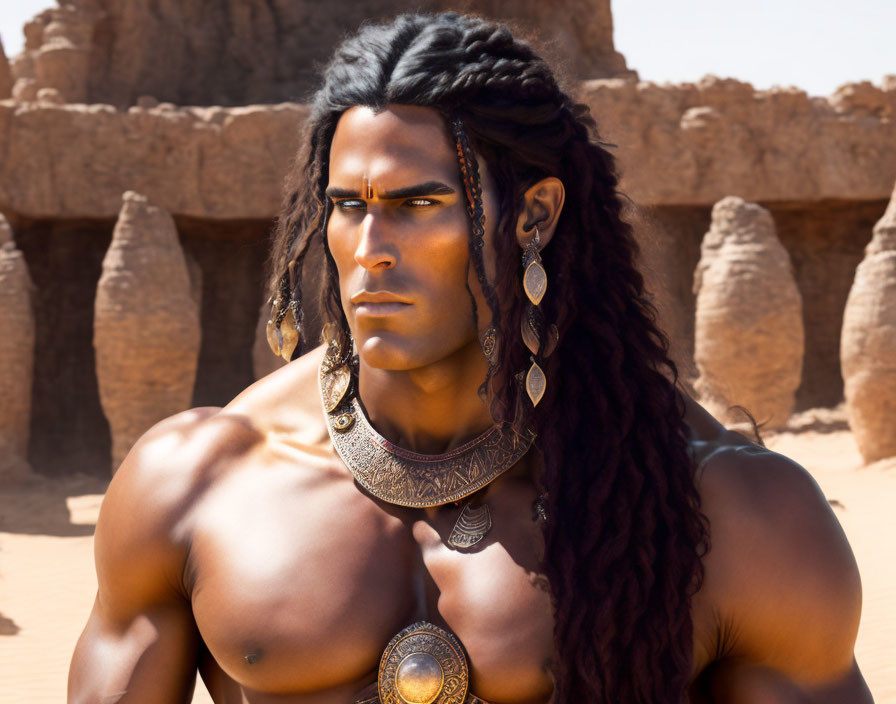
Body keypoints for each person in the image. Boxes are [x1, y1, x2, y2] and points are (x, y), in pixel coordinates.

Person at [68, 12, 873, 704]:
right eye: (348, 207)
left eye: (419, 204)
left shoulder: (734, 515)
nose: (370, 251)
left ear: (534, 215)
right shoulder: (194, 482)